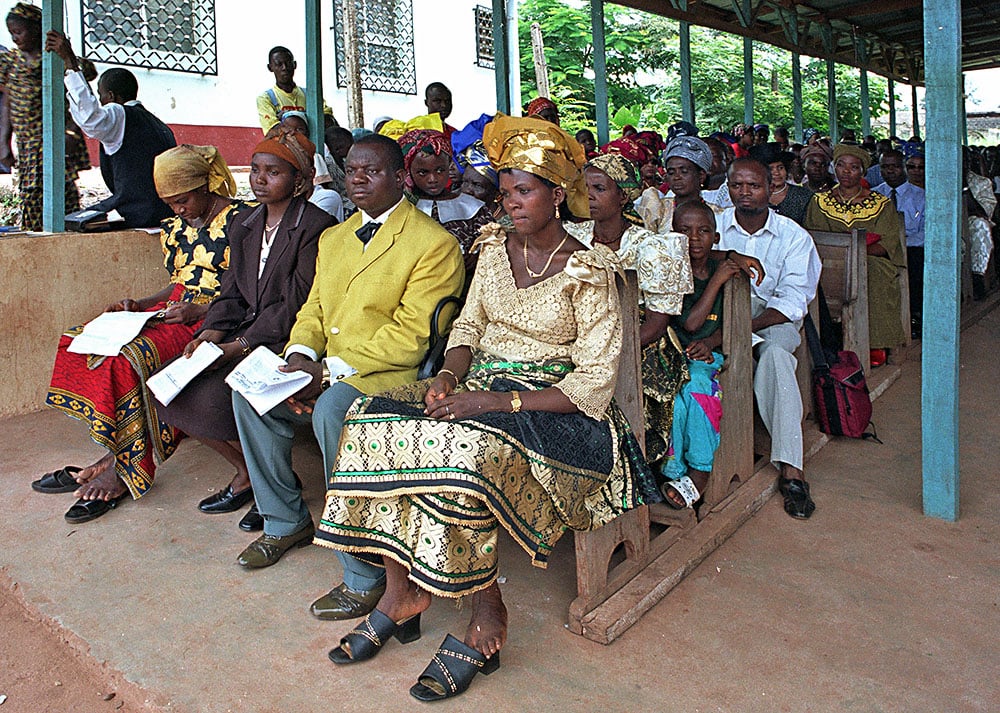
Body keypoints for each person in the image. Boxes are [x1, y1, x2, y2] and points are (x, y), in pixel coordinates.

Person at [313, 115, 658, 701]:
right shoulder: (496, 250)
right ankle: (402, 593)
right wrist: (448, 375)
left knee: (463, 453)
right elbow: (468, 324)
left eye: (524, 192)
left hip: (558, 413)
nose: (512, 205)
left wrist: (493, 401)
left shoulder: (591, 271)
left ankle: (487, 614)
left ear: (557, 194)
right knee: (368, 420)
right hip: (481, 385)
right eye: (504, 194)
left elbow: (594, 386)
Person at [230, 134, 464, 631]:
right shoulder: (334, 239)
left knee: (335, 407)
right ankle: (284, 521)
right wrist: (299, 357)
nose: (357, 179)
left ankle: (365, 574)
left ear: (399, 177)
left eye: (371, 171)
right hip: (325, 366)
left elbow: (412, 336)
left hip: (390, 374)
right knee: (249, 391)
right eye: (350, 170)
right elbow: (313, 309)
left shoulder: (433, 244)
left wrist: (329, 372)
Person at [37, 145, 248, 522]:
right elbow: (178, 283)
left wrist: (199, 310)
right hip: (178, 308)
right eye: (170, 203)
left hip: (218, 317)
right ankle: (119, 449)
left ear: (203, 186)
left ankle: (125, 466)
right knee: (79, 341)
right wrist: (140, 303)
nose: (177, 210)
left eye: (182, 200)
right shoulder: (180, 227)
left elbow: (246, 290)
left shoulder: (241, 222)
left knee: (128, 360)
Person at [156, 131, 333, 525]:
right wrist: (210, 334)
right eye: (255, 170)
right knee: (168, 388)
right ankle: (253, 476)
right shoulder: (246, 223)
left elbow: (296, 305)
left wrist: (237, 346)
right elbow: (232, 291)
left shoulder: (316, 227)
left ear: (299, 180)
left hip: (291, 340)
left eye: (273, 172)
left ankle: (274, 487)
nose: (259, 179)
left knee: (234, 394)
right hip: (246, 335)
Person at [562, 149, 693, 464]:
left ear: (622, 197)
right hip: (581, 336)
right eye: (585, 189)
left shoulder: (653, 247)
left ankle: (631, 465)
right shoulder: (571, 237)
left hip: (640, 341)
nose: (589, 196)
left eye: (600, 189)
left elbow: (657, 325)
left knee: (607, 384)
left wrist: (603, 351)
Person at [717, 157, 821, 519]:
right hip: (721, 314)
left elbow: (794, 300)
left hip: (771, 318)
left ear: (771, 188)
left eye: (754, 186)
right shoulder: (713, 227)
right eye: (736, 185)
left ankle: (792, 470)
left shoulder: (794, 236)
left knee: (775, 354)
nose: (744, 193)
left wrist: (747, 327)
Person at [45, 30, 176, 228]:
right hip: (163, 211)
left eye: (100, 95)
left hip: (141, 214)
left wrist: (70, 63)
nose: (100, 101)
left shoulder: (119, 113)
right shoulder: (159, 126)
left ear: (111, 97)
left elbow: (90, 118)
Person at [659, 201, 741, 508]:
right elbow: (691, 323)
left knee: (697, 390)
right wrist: (716, 281)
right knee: (674, 402)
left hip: (706, 360)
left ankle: (699, 471)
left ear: (716, 238)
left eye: (704, 231)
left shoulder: (722, 272)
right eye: (685, 230)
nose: (695, 238)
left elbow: (717, 326)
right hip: (670, 355)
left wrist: (714, 341)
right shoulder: (670, 273)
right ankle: (674, 470)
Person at [806, 144, 906, 361]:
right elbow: (814, 238)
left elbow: (887, 243)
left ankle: (875, 343)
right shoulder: (820, 201)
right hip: (830, 262)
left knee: (872, 272)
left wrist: (855, 255)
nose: (846, 171)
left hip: (871, 259)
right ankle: (826, 343)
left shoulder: (881, 204)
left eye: (853, 167)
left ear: (862, 171)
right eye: (841, 166)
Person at [0, 3, 90, 230]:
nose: (15, 38)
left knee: (61, 191)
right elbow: (8, 100)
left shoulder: (53, 59)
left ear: (37, 30)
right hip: (27, 142)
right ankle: (36, 238)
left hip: (54, 138)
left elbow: (80, 85)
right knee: (30, 196)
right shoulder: (11, 62)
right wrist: (3, 141)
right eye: (12, 33)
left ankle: (65, 238)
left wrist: (70, 130)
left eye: (19, 32)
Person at [398, 128, 492, 274]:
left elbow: (492, 240)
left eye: (440, 170)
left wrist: (478, 255)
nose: (433, 179)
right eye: (423, 172)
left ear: (449, 165)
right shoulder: (402, 208)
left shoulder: (473, 207)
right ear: (408, 171)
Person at [873, 149, 925, 338]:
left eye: (895, 166)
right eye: (885, 167)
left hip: (910, 248)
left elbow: (926, 234)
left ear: (903, 167)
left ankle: (915, 315)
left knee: (916, 260)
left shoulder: (922, 196)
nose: (890, 171)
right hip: (880, 248)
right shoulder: (873, 196)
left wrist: (899, 243)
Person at [638, 135, 715, 234]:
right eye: (671, 172)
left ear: (701, 176)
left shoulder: (716, 213)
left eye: (684, 171)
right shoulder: (658, 210)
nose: (676, 177)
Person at [255, 46, 333, 134]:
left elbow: (328, 120)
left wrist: (284, 121)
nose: (284, 68)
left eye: (288, 63)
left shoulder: (311, 95)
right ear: (270, 68)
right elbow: (273, 130)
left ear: (294, 65)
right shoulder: (266, 98)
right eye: (279, 64)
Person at [749, 143, 812, 225]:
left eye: (780, 168)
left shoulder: (804, 195)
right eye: (770, 169)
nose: (777, 173)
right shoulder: (751, 197)